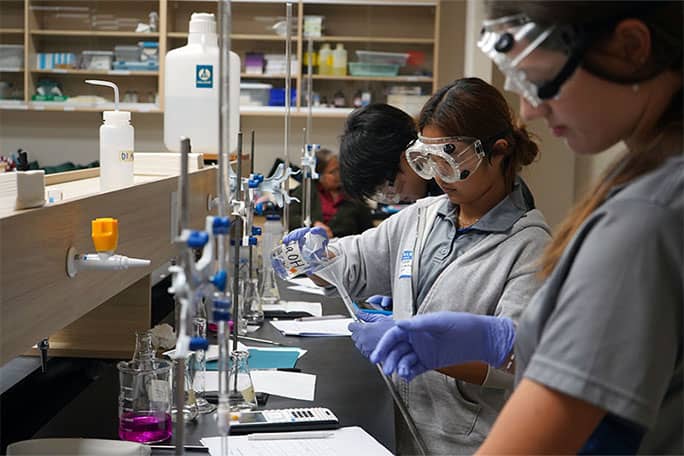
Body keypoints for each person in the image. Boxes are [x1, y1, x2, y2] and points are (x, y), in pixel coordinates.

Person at [371, 2, 683, 454]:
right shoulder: (651, 177)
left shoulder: (646, 215)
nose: (529, 109)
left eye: (538, 78)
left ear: (631, 46)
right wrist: (508, 341)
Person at [274, 77, 551, 454]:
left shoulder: (530, 247)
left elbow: (516, 363)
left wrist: (426, 349)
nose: (438, 177)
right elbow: (353, 262)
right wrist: (316, 255)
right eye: (428, 161)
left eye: (449, 163)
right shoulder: (422, 216)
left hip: (464, 443)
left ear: (498, 151)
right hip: (402, 426)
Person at [339, 103, 443, 204]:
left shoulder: (451, 185)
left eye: (391, 187)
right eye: (381, 195)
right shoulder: (429, 195)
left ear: (410, 156)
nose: (397, 199)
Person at [288, 148, 373, 238]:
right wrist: (313, 224)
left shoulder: (352, 193)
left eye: (339, 170)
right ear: (319, 175)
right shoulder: (307, 190)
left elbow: (367, 230)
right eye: (333, 172)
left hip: (346, 247)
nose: (339, 175)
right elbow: (290, 217)